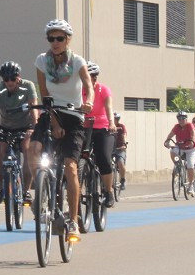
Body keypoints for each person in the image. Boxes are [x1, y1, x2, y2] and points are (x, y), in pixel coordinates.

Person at [34, 19, 92, 243]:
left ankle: (73, 220)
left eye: (59, 38)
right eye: (51, 38)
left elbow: (88, 85)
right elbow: (44, 94)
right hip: (51, 113)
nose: (55, 42)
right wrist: (55, 124)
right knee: (34, 148)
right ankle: (41, 191)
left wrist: (88, 102)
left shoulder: (77, 61)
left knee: (70, 167)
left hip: (74, 116)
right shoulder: (41, 61)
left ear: (68, 40)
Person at [0, 61, 38, 205]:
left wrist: (34, 127)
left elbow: (33, 108)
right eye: (6, 80)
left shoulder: (28, 86)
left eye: (13, 79)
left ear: (18, 77)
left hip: (25, 127)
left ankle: (25, 191)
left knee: (28, 151)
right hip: (6, 127)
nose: (10, 82)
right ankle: (2, 185)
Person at [86, 62, 116, 208]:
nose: (90, 79)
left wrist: (111, 122)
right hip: (84, 127)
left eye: (92, 76)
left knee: (104, 157)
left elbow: (108, 106)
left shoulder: (103, 90)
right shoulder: (78, 90)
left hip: (103, 128)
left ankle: (109, 191)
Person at [163, 111, 195, 189]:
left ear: (186, 119)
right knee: (172, 151)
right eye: (179, 119)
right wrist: (167, 141)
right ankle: (178, 164)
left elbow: (193, 134)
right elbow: (170, 135)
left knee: (190, 165)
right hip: (180, 147)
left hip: (190, 149)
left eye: (183, 118)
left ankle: (191, 184)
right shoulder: (176, 126)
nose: (181, 120)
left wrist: (192, 141)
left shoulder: (189, 125)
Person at [112, 113, 128, 192]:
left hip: (120, 148)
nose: (116, 120)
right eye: (115, 118)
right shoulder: (108, 126)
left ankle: (123, 180)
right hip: (110, 149)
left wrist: (124, 144)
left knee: (120, 162)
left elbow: (124, 135)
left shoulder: (121, 127)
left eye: (117, 119)